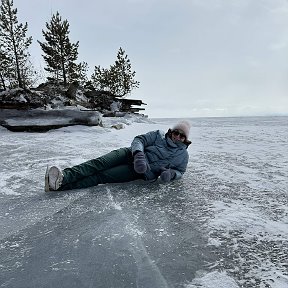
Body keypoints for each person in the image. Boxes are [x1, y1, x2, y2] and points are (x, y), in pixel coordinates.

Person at [45, 121, 191, 192]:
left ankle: (59, 187)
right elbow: (139, 139)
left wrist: (171, 174)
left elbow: (181, 171)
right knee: (99, 163)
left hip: (140, 172)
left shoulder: (183, 155)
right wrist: (139, 154)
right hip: (129, 154)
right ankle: (64, 176)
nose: (177, 137)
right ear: (171, 132)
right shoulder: (158, 135)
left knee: (102, 176)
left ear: (185, 139)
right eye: (176, 133)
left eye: (181, 135)